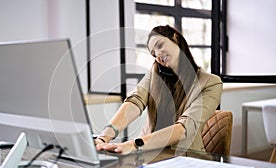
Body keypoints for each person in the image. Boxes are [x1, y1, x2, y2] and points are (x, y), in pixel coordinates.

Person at [95, 25, 222, 154]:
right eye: (154, 54)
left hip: (186, 157)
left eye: (160, 45)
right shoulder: (155, 75)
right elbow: (135, 101)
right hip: (147, 154)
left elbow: (185, 128)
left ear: (175, 38)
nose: (158, 54)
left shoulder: (211, 83)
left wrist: (135, 144)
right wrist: (104, 136)